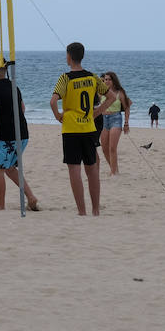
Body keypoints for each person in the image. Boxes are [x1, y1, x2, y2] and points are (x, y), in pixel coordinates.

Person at [50, 42, 108, 216]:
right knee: (92, 170)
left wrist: (58, 116)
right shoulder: (92, 77)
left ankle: (82, 211)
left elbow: (53, 101)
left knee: (74, 170)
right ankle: (96, 210)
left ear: (69, 56)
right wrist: (96, 113)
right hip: (89, 128)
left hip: (71, 129)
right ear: (82, 56)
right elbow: (111, 97)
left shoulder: (65, 78)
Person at [0, 56, 38, 211]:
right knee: (9, 168)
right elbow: (22, 109)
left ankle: (0, 207)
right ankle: (31, 197)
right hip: (22, 134)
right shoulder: (14, 86)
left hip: (6, 136)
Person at [98, 71, 132, 176]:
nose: (107, 81)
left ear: (113, 80)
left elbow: (127, 107)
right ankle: (114, 169)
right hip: (103, 120)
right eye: (105, 79)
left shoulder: (119, 92)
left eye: (109, 79)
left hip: (116, 119)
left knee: (112, 148)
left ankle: (113, 172)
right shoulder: (101, 92)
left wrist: (126, 123)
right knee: (104, 149)